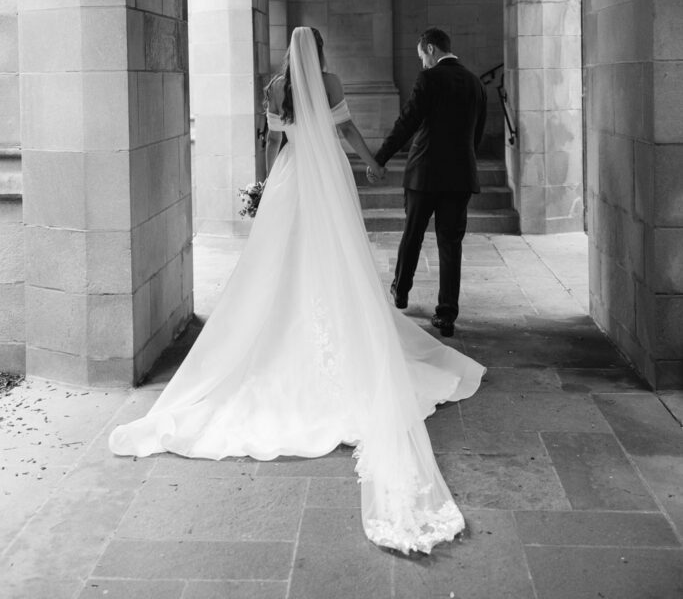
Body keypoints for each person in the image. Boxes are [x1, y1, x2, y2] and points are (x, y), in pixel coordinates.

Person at [109, 27, 485, 554]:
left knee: (280, 259)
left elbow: (269, 140)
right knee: (336, 253)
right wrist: (371, 164)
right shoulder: (328, 81)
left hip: (291, 176)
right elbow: (348, 129)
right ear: (321, 53)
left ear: (289, 52)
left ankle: (279, 328)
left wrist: (263, 182)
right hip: (327, 175)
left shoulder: (274, 87)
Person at [374, 27, 487, 337]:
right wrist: (463, 164)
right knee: (450, 245)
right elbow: (475, 135)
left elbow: (407, 122)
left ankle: (400, 291)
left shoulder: (429, 78)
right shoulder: (475, 83)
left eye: (422, 55)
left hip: (424, 174)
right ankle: (447, 314)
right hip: (460, 177)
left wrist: (380, 158)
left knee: (412, 235)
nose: (421, 62)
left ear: (432, 50)